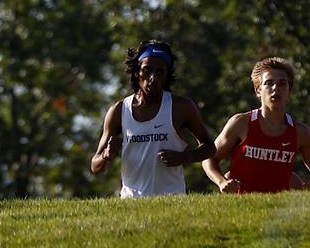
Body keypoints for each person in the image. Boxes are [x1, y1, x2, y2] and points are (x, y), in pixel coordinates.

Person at [91, 40, 216, 198]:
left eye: (159, 72)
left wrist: (184, 157)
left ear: (166, 75)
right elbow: (95, 166)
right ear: (137, 72)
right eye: (147, 70)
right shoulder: (119, 110)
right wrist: (105, 155)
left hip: (172, 201)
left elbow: (210, 148)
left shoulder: (181, 107)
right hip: (131, 203)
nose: (152, 78)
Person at [202, 57, 310, 193]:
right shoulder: (241, 123)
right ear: (258, 90)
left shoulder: (300, 132)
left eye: (282, 83)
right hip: (240, 207)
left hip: (277, 209)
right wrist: (222, 182)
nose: (276, 88)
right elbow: (209, 159)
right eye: (269, 83)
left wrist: (308, 186)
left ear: (289, 90)